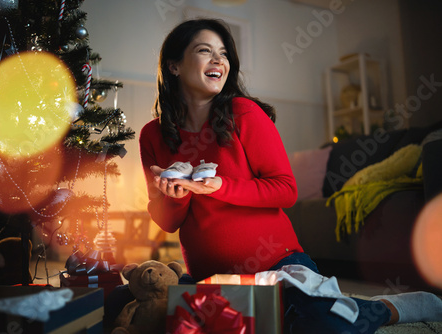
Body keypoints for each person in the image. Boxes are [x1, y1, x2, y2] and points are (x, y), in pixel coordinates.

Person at [135, 19, 442, 333]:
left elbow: (285, 190)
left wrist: (220, 186)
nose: (219, 61)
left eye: (224, 54)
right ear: (173, 66)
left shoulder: (243, 112)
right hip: (211, 277)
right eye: (205, 51)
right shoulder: (151, 136)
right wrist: (175, 197)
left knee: (326, 325)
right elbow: (167, 221)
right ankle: (334, 301)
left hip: (277, 265)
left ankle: (384, 307)